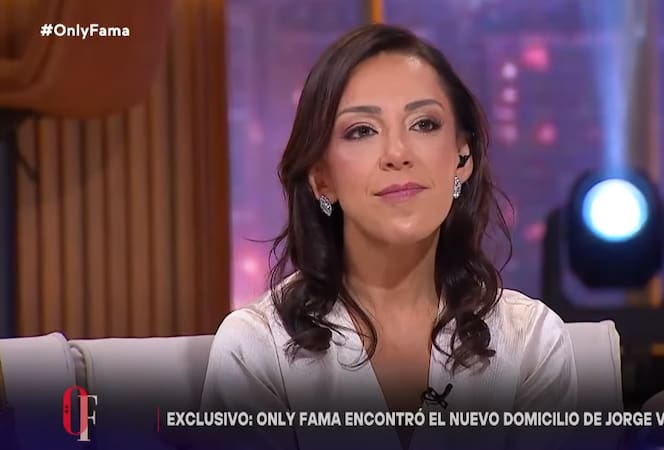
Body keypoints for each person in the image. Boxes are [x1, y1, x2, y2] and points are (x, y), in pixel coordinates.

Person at [200, 23, 578, 450]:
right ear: (322, 178)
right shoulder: (258, 348)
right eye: (362, 130)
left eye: (424, 123)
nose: (397, 153)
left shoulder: (530, 342)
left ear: (462, 157)